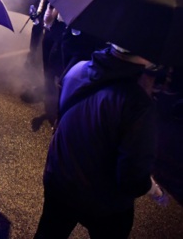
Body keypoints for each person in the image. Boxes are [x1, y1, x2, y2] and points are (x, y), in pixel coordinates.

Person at [34, 44, 165, 239]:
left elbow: (65, 118)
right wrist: (152, 188)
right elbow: (132, 177)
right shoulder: (137, 104)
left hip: (59, 180)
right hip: (104, 202)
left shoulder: (77, 69)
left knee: (49, 233)